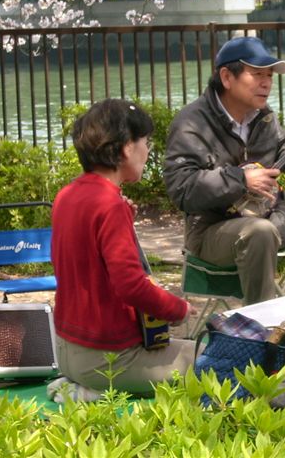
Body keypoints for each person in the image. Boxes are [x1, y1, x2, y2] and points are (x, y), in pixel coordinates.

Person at [163, 36, 285, 305]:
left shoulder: (263, 116)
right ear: (227, 77)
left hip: (274, 216)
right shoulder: (192, 123)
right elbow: (181, 189)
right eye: (256, 74)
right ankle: (261, 332)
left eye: (269, 75)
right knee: (259, 232)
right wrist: (241, 180)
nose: (266, 82)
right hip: (212, 231)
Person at [52, 99, 197, 395]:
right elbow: (130, 285)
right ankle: (90, 393)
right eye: (145, 141)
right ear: (127, 148)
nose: (147, 150)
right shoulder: (109, 204)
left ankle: (81, 387)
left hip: (67, 351)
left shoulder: (67, 195)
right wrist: (178, 308)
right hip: (107, 359)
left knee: (193, 353)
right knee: (216, 364)